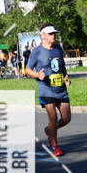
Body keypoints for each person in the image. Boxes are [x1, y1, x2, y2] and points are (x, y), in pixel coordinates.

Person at [24, 24, 71, 156]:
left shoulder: (58, 48)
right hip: (45, 89)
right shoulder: (37, 51)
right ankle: (55, 145)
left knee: (66, 118)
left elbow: (62, 66)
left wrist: (66, 76)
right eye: (50, 34)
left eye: (54, 33)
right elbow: (27, 70)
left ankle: (49, 130)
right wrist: (37, 75)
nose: (53, 36)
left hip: (60, 88)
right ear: (43, 35)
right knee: (53, 117)